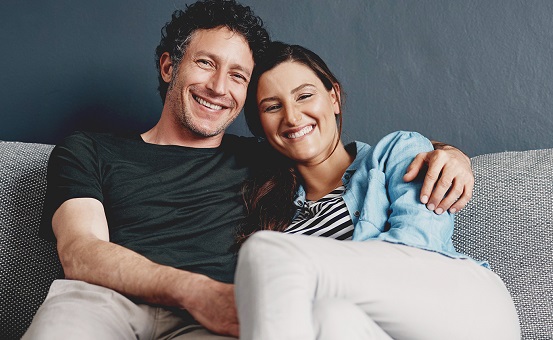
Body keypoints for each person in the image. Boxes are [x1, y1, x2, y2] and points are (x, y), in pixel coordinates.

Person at [24, 1, 475, 339]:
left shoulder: (265, 159)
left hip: (213, 322)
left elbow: (342, 155)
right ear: (168, 66)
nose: (219, 87)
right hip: (106, 301)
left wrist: (449, 153)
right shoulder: (87, 151)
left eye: (238, 75)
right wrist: (195, 291)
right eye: (205, 63)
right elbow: (81, 252)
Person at [235, 42, 520, 339]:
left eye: (304, 96)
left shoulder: (398, 152)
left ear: (333, 97)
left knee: (265, 252)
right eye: (273, 106)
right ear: (260, 126)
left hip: (463, 310)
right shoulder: (277, 219)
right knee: (331, 317)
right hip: (376, 330)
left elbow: (416, 249)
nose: (292, 117)